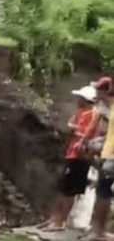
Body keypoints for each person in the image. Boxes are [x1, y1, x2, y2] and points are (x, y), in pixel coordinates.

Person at [39, 86, 98, 232]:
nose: (78, 101)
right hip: (71, 153)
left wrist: (74, 129)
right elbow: (71, 127)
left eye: (81, 98)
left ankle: (60, 221)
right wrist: (72, 127)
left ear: (86, 100)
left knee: (70, 190)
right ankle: (54, 218)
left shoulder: (93, 114)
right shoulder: (80, 112)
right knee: (62, 187)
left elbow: (88, 136)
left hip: (81, 155)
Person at [85, 78, 114, 241]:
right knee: (104, 193)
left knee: (103, 194)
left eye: (98, 90)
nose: (96, 93)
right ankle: (98, 230)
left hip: (110, 157)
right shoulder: (109, 108)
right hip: (107, 154)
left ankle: (97, 231)